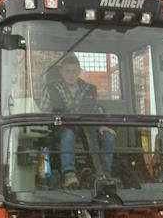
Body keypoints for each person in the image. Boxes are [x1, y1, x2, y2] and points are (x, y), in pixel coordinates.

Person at [41, 55, 116, 188]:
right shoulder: (51, 89)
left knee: (108, 137)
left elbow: (95, 110)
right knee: (68, 134)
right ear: (61, 72)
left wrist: (102, 125)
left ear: (79, 71)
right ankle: (69, 175)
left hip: (87, 128)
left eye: (74, 71)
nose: (71, 75)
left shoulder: (90, 89)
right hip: (61, 129)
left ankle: (105, 175)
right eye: (68, 71)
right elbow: (44, 114)